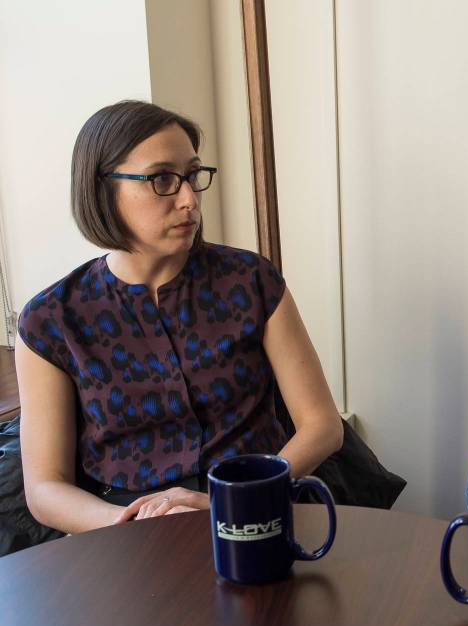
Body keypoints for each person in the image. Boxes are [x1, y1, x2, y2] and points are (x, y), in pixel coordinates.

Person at [17, 101, 342, 534]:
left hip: (254, 510)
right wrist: (135, 524)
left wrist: (230, 501)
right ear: (101, 189)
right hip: (124, 534)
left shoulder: (250, 281)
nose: (189, 199)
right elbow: (44, 487)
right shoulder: (51, 320)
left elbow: (322, 425)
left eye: (192, 176)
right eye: (163, 180)